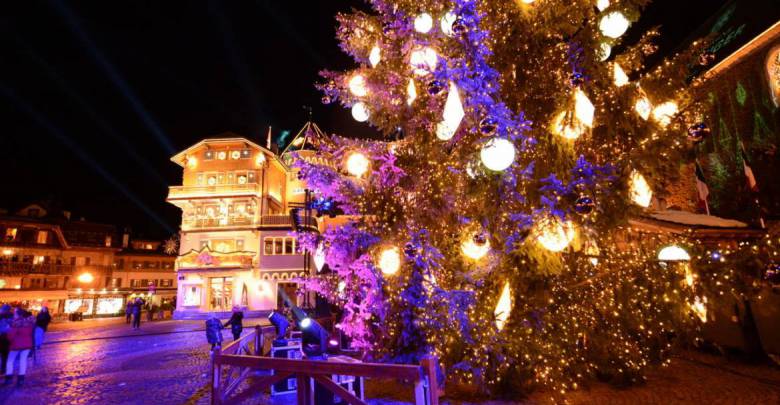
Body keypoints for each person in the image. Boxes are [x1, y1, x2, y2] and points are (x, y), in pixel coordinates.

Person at [5, 308, 34, 386]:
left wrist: (8, 331)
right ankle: (21, 379)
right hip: (27, 345)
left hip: (15, 345)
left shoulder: (15, 324)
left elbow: (10, 337)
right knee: (23, 361)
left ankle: (8, 378)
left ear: (18, 315)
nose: (13, 315)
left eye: (15, 313)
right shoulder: (29, 323)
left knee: (10, 361)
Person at [0, 305, 12, 374]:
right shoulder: (10, 316)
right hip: (6, 338)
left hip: (4, 338)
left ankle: (3, 368)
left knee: (4, 355)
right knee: (5, 355)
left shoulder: (8, 317)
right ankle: (4, 368)